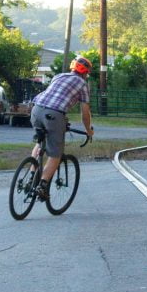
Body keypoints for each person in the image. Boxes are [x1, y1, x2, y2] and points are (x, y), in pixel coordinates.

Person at [30, 56, 95, 200]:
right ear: (86, 73)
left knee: (40, 143)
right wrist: (88, 130)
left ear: (73, 67)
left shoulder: (59, 76)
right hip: (54, 114)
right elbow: (85, 113)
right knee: (55, 154)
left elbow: (56, 96)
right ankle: (42, 185)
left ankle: (30, 176)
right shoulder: (83, 85)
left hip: (36, 109)